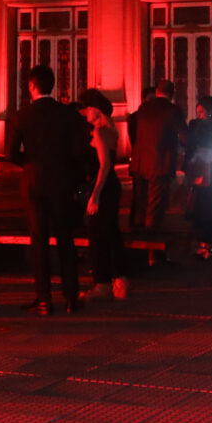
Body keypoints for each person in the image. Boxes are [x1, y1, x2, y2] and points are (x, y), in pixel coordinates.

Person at [9, 65, 93, 315]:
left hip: (34, 182)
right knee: (65, 239)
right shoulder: (68, 114)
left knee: (39, 240)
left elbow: (10, 153)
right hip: (62, 181)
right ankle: (71, 297)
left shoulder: (22, 115)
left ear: (31, 87)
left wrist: (31, 164)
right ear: (52, 85)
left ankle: (44, 298)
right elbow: (80, 151)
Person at [125, 82, 183, 269]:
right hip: (160, 165)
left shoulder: (142, 109)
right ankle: (153, 254)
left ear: (157, 92)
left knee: (141, 207)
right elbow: (185, 136)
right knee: (155, 209)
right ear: (171, 94)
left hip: (140, 164)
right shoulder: (172, 110)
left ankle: (140, 252)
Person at [80, 92, 128, 299]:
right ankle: (119, 281)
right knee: (111, 233)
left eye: (88, 109)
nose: (85, 113)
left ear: (97, 111)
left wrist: (95, 194)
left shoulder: (99, 133)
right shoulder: (110, 131)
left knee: (97, 235)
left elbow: (104, 165)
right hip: (111, 186)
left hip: (103, 186)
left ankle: (102, 283)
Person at [184, 95, 212, 260]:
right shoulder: (195, 124)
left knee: (210, 209)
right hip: (199, 168)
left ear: (210, 111)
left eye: (202, 111)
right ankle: (202, 243)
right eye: (198, 112)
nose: (199, 115)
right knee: (198, 208)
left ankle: (209, 244)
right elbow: (189, 144)